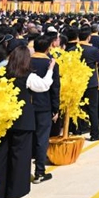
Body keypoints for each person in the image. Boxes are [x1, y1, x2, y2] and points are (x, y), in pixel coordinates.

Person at [0, 46, 55, 198]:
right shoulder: (27, 76)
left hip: (2, 119)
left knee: (0, 155)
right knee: (20, 155)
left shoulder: (1, 73)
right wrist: (51, 69)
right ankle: (15, 192)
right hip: (22, 120)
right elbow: (44, 85)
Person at [29, 34, 60, 183]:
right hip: (44, 105)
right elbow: (55, 88)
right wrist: (56, 108)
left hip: (27, 105)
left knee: (28, 138)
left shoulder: (26, 61)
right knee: (42, 139)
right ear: (48, 48)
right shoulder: (51, 64)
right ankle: (39, 171)